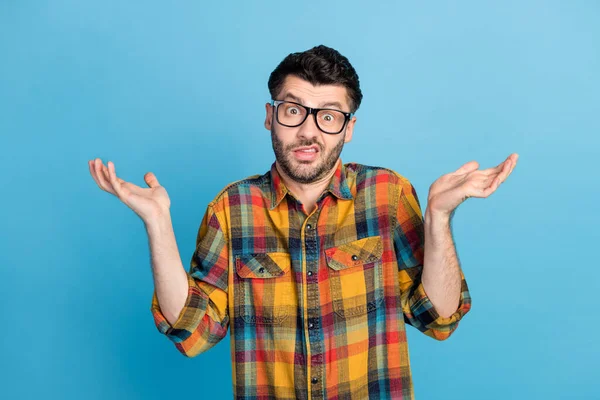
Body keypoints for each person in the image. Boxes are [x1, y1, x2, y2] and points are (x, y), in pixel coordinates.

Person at [88, 44, 518, 399]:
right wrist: (157, 223)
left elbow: (438, 318)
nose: (309, 131)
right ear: (270, 115)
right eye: (294, 110)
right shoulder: (232, 207)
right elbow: (193, 332)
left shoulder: (387, 195)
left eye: (328, 116)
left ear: (348, 129)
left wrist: (439, 217)